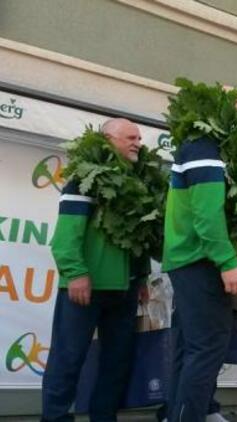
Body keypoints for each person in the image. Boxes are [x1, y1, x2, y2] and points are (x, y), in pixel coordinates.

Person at [41, 118, 150, 421]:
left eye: (139, 138)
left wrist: (141, 276)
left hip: (124, 291)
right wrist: (75, 273)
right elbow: (65, 238)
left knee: (116, 364)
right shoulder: (83, 179)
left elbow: (137, 237)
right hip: (84, 288)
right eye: (130, 137)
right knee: (68, 360)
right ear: (107, 140)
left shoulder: (136, 183)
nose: (137, 143)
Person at [161, 89, 237, 422]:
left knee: (189, 347)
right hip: (199, 261)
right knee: (207, 347)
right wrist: (228, 263)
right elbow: (206, 215)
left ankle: (180, 413)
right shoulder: (204, 149)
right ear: (224, 114)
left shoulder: (199, 148)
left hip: (188, 260)